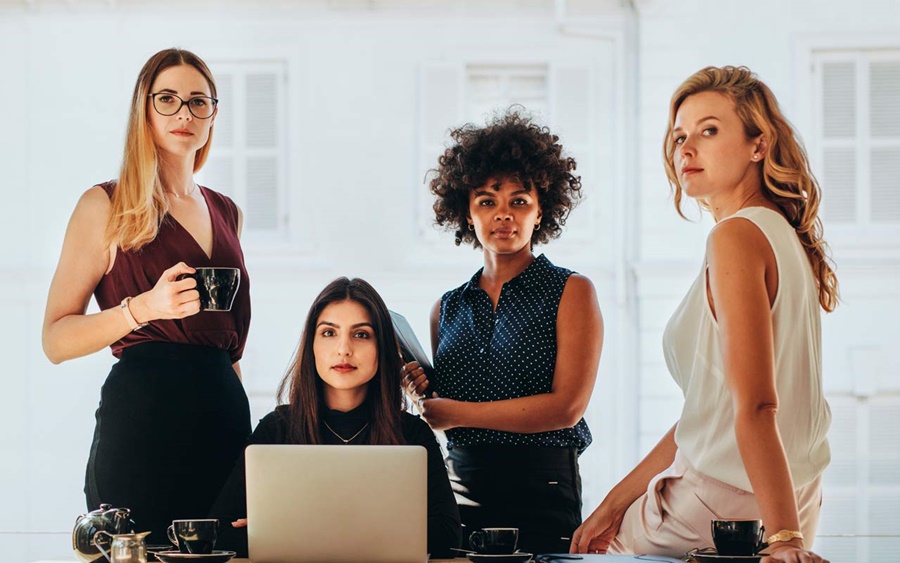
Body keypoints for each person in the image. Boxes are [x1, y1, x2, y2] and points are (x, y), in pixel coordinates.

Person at [571, 66, 837, 563]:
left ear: (759, 144)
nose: (686, 149)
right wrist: (614, 502)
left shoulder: (735, 237)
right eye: (680, 136)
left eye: (709, 130)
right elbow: (710, 413)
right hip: (793, 499)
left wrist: (784, 541)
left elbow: (757, 405)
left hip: (721, 506)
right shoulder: (782, 237)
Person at [42, 48, 251, 543]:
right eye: (168, 99)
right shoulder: (105, 205)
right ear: (144, 109)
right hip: (144, 423)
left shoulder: (228, 211)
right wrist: (144, 309)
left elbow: (227, 343)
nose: (184, 113)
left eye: (199, 102)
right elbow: (55, 339)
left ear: (213, 114)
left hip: (223, 419)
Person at [404, 109, 604, 554]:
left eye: (519, 201)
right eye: (487, 201)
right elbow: (458, 403)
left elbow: (566, 408)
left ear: (541, 209)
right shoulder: (447, 307)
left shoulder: (571, 291)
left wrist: (455, 413)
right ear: (465, 212)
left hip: (544, 487)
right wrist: (429, 392)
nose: (503, 215)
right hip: (460, 485)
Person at [209, 277, 462, 558]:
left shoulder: (412, 433)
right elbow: (219, 532)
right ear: (312, 345)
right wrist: (377, 531)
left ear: (382, 348)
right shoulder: (276, 429)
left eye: (361, 334)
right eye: (329, 333)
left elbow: (447, 535)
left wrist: (289, 531)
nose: (344, 349)